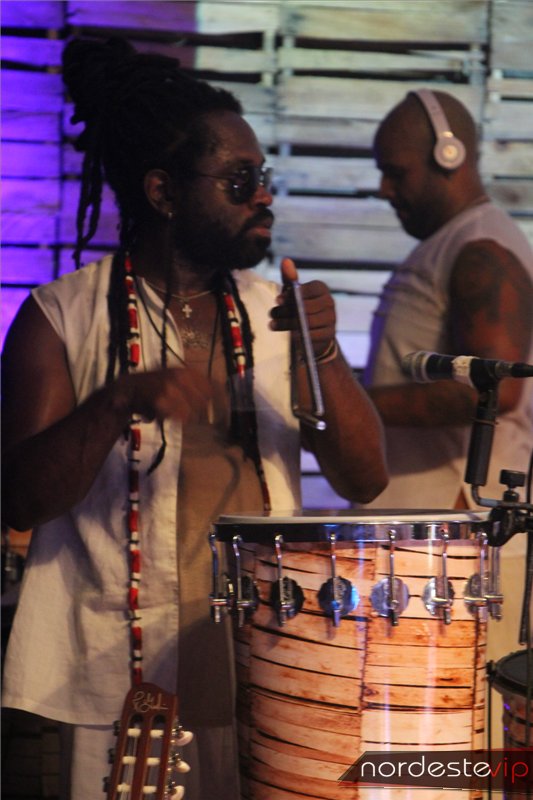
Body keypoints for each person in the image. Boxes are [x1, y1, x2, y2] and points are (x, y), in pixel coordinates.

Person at [1, 38, 387, 800]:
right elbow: (18, 499)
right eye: (240, 181)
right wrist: (115, 401)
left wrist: (323, 352)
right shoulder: (62, 316)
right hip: (112, 684)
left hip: (265, 674)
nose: (262, 198)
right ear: (163, 191)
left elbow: (365, 478)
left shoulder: (275, 314)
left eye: (264, 179)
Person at [362, 88, 533, 744]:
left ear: (449, 156)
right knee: (415, 742)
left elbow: (497, 390)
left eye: (395, 171)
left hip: (459, 554)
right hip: (433, 553)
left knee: (455, 745)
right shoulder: (454, 244)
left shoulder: (480, 247)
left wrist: (347, 407)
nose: (384, 188)